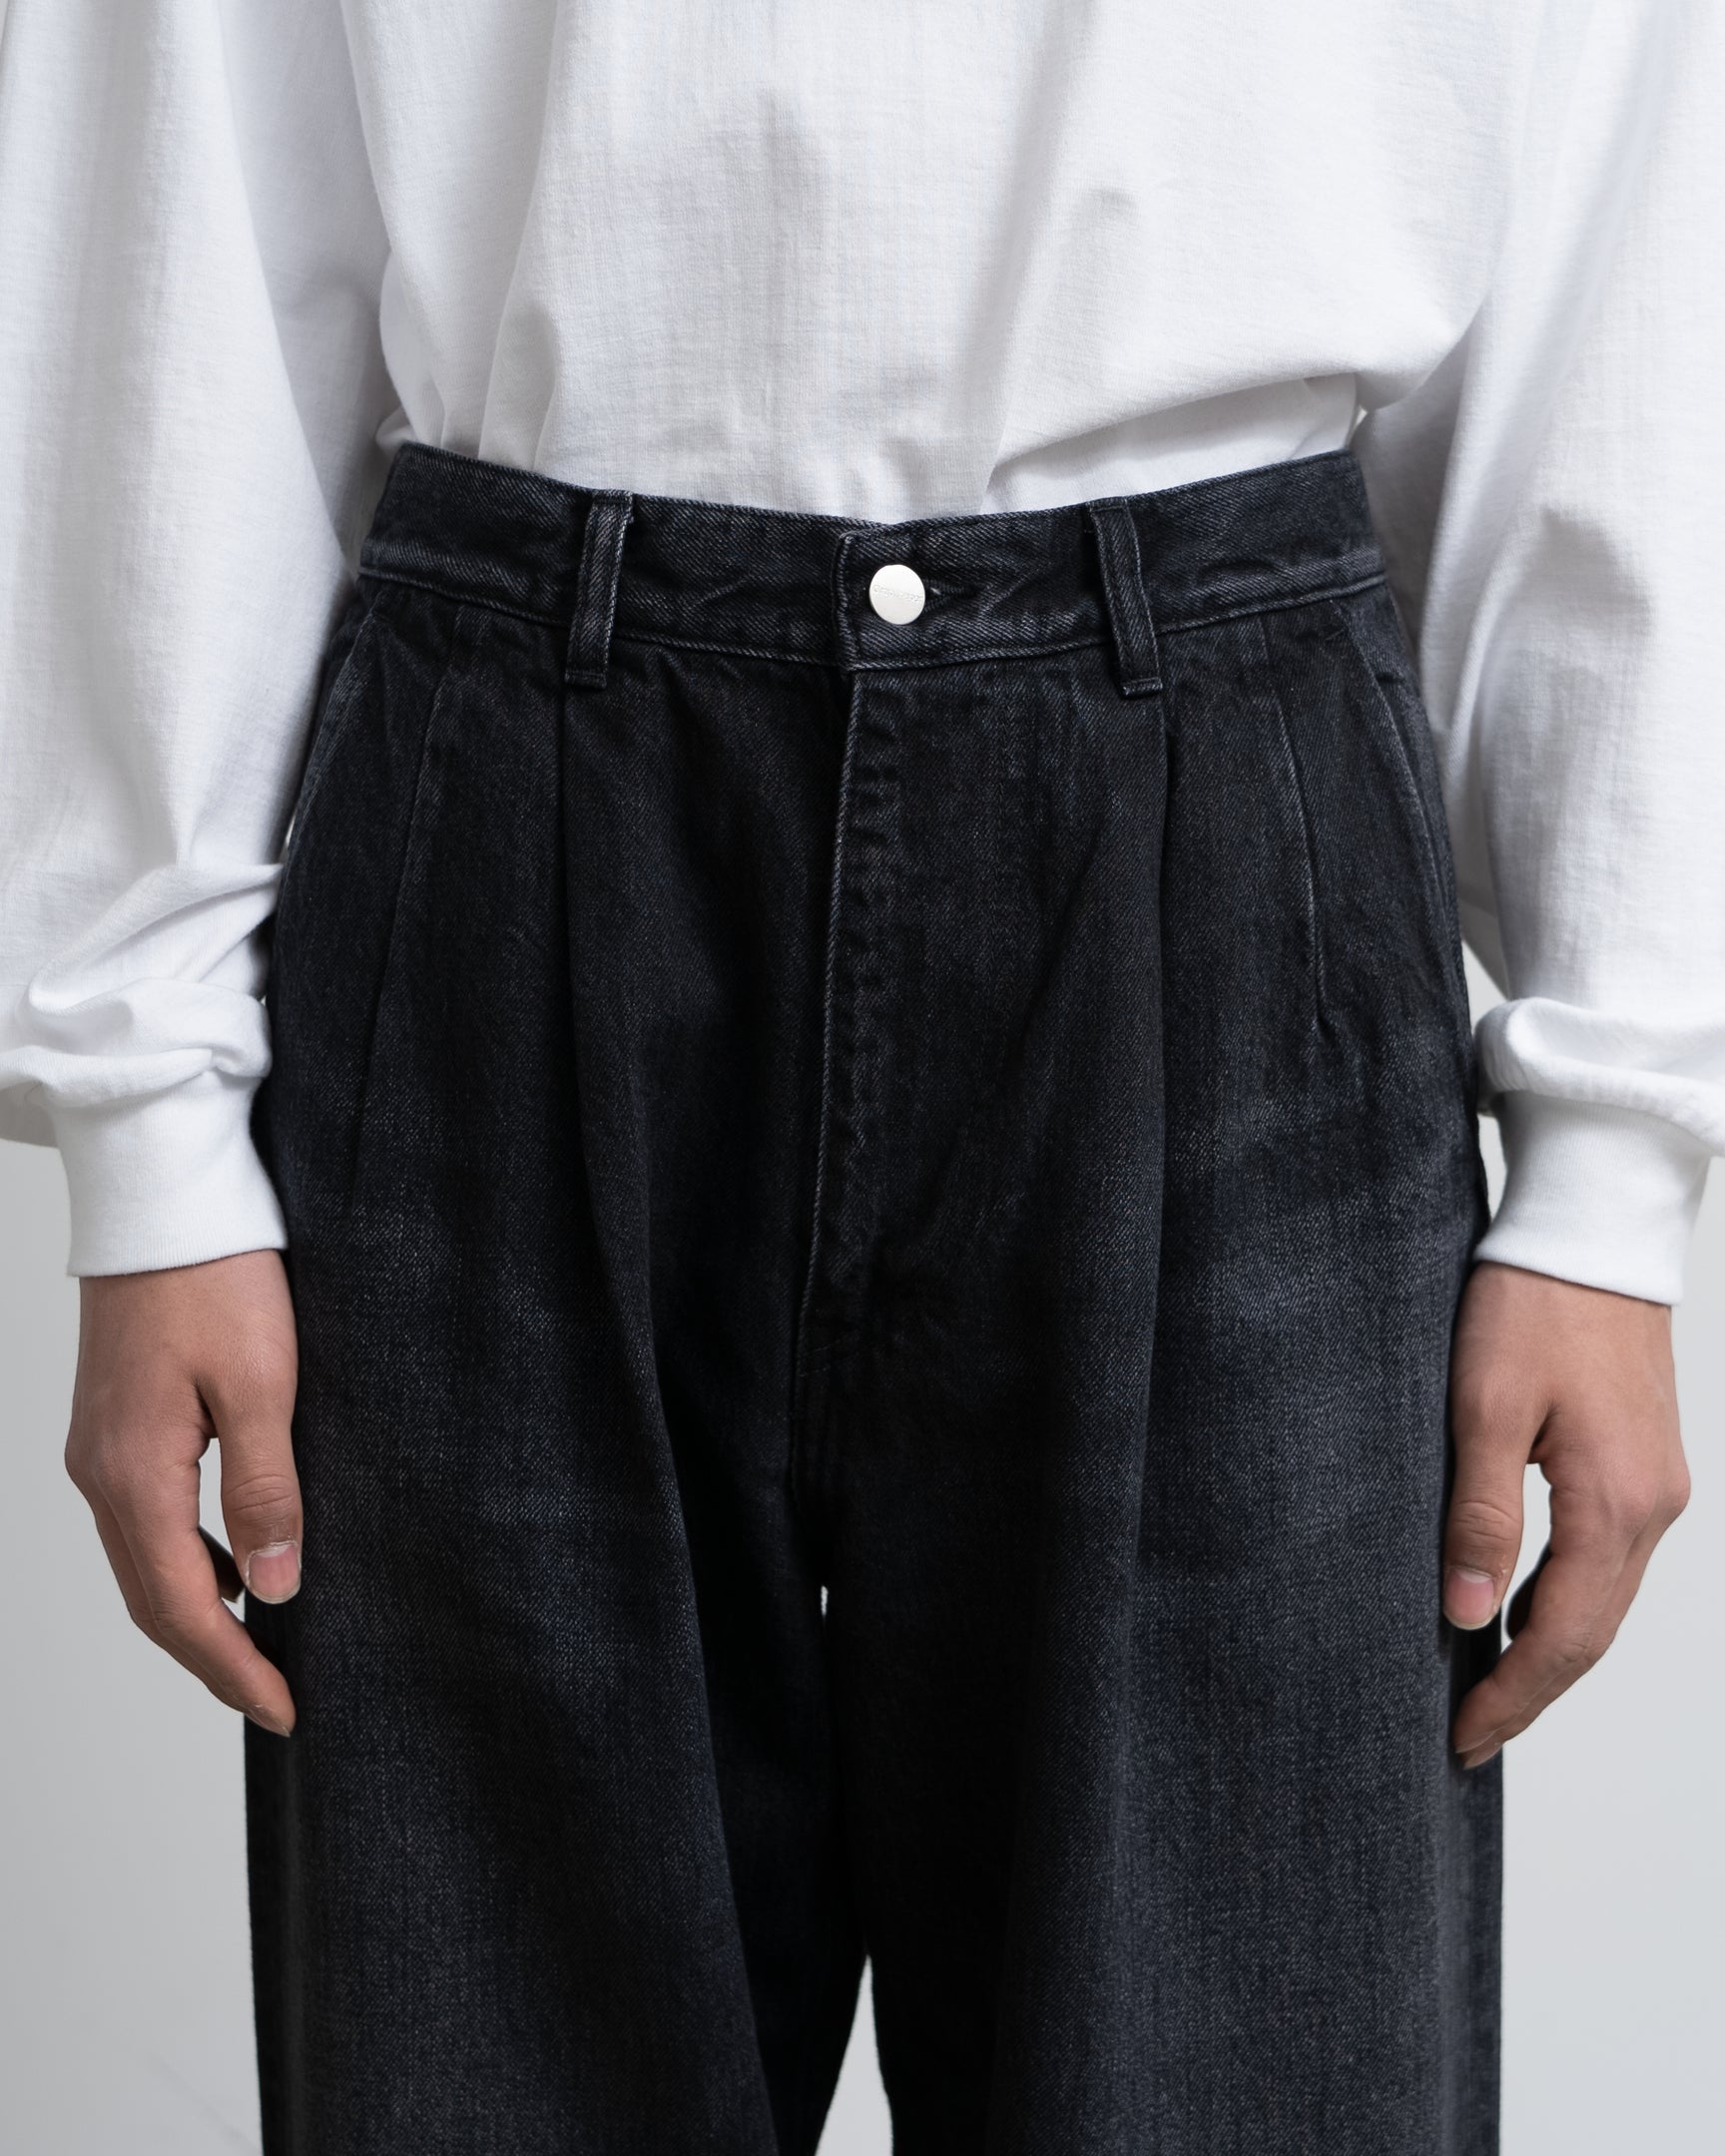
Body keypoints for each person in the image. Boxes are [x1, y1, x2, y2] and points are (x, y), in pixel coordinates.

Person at [0, 5, 1717, 2151]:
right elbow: (186, 119)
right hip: (523, 808)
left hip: (1215, 826)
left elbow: (1612, 173)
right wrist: (147, 1130)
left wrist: (1611, 1157)